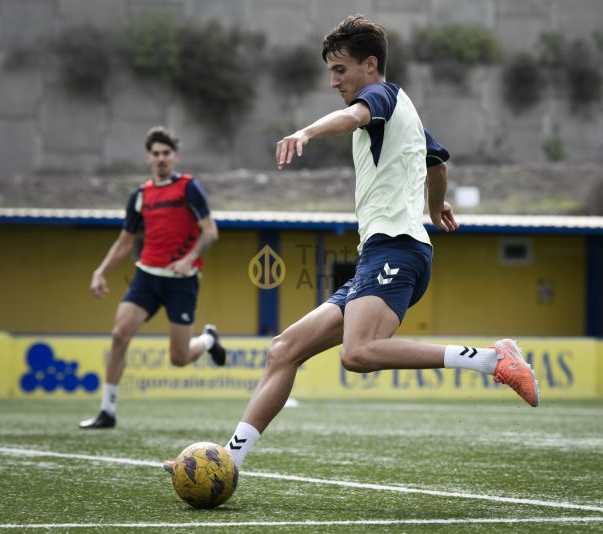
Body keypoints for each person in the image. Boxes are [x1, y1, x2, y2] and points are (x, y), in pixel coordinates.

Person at [221, 15, 539, 466]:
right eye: (330, 71)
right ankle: (228, 462)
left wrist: (306, 132)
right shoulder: (405, 112)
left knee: (359, 352)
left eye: (340, 70)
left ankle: (490, 360)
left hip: (396, 249)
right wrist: (436, 206)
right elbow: (439, 164)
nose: (333, 81)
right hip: (386, 250)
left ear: (370, 65)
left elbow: (354, 117)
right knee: (284, 350)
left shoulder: (382, 96)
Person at [80, 126, 227, 429]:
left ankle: (209, 338)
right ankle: (107, 411)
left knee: (179, 357)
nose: (161, 158)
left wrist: (188, 259)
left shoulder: (188, 188)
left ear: (175, 157)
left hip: (181, 280)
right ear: (148, 158)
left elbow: (210, 231)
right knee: (120, 335)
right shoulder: (140, 196)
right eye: (156, 154)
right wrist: (100, 271)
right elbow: (124, 241)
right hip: (146, 276)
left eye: (166, 153)